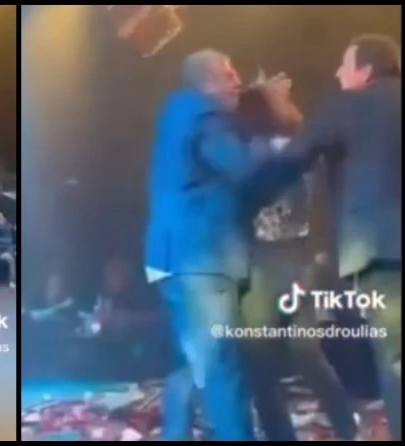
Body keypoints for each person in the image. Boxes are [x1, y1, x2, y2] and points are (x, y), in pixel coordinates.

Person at [282, 34, 402, 441]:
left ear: (365, 71)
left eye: (344, 65)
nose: (337, 73)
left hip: (384, 254)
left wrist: (241, 180)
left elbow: (296, 155)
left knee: (396, 358)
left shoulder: (351, 105)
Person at [144, 49, 262, 440]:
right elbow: (243, 167)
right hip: (198, 257)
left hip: (173, 254)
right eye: (229, 74)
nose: (238, 81)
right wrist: (280, 146)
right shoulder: (203, 116)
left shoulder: (178, 114)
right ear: (207, 81)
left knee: (195, 360)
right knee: (221, 366)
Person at [235, 73, 358, 440]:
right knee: (306, 351)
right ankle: (347, 427)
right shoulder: (301, 146)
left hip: (267, 260)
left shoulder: (254, 152)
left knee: (260, 360)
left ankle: (282, 434)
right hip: (300, 257)